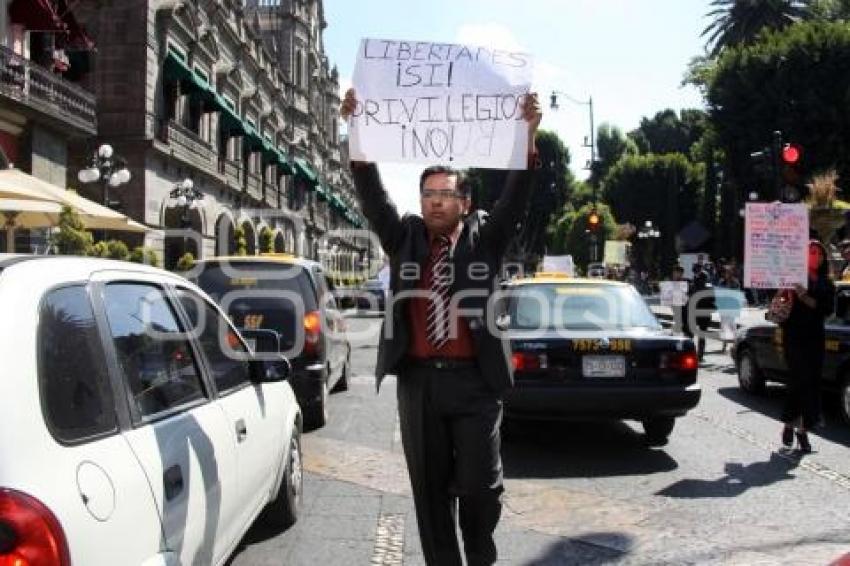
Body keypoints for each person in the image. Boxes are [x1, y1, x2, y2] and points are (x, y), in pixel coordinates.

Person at [340, 88, 542, 565]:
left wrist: (527, 134)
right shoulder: (403, 236)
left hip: (475, 383)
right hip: (419, 383)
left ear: (464, 203)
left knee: (480, 488)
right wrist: (356, 131)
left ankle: (479, 554)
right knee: (429, 496)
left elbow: (517, 196)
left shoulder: (486, 238)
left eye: (445, 194)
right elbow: (372, 197)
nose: (434, 203)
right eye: (427, 194)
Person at [778, 239, 835, 453]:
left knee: (810, 383)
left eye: (820, 254)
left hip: (814, 338)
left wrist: (803, 294)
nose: (816, 256)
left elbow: (825, 310)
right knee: (798, 379)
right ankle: (792, 426)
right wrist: (785, 292)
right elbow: (778, 307)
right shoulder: (792, 277)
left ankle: (800, 428)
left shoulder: (826, 283)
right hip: (793, 335)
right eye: (812, 252)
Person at [715, 265, 742, 353]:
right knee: (723, 326)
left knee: (732, 326)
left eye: (728, 272)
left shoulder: (735, 282)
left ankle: (735, 343)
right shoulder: (721, 282)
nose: (727, 274)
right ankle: (724, 345)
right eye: (726, 272)